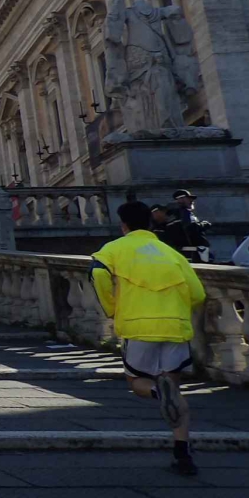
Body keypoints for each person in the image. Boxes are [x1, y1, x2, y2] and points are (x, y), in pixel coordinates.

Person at [90, 201, 206, 476]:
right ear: (151, 222)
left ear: (123, 225)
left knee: (138, 381)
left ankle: (158, 392)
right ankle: (183, 454)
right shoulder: (170, 253)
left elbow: (97, 272)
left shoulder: (114, 249)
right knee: (174, 387)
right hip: (175, 326)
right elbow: (198, 294)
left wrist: (111, 307)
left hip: (138, 325)